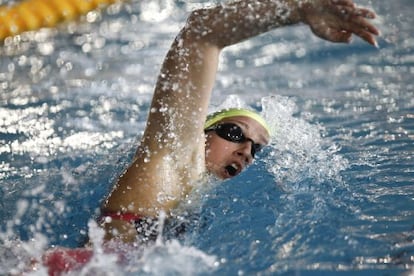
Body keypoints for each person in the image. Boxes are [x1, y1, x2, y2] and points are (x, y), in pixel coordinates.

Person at [98, 0, 380, 244]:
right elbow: (200, 32)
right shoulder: (175, 157)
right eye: (234, 132)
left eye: (256, 148)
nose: (246, 152)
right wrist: (298, 9)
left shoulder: (195, 197)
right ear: (202, 132)